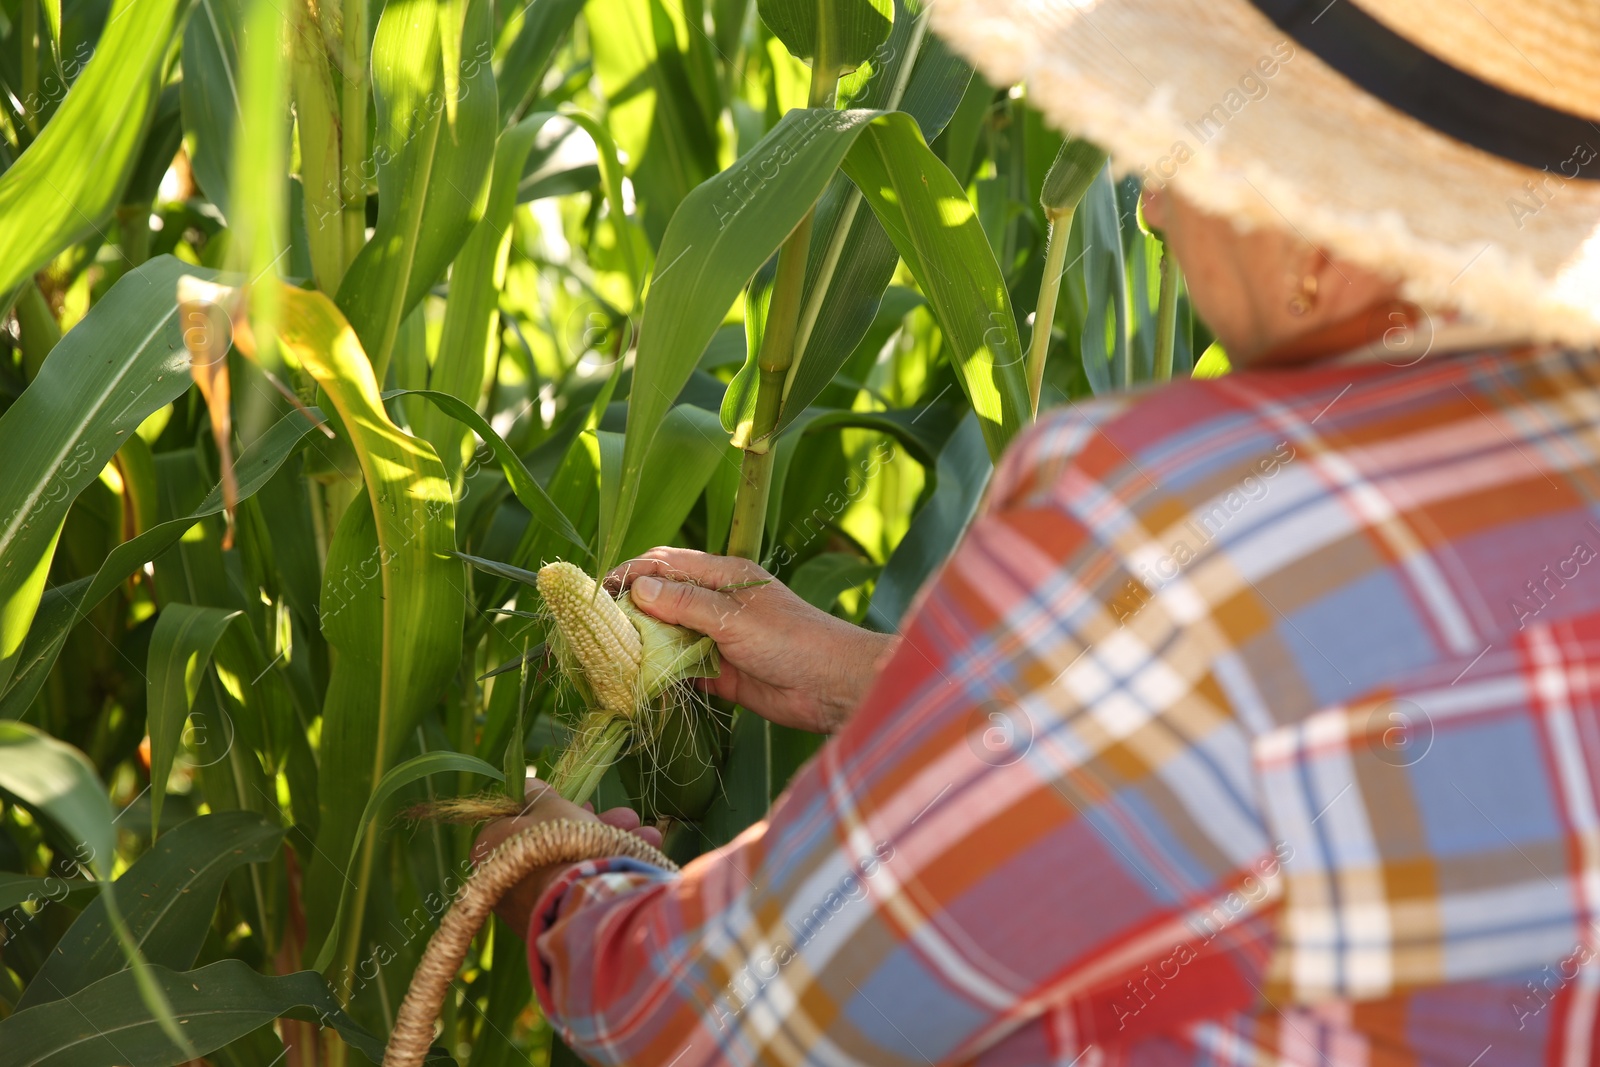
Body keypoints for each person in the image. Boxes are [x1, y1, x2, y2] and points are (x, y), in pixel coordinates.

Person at [474, 0, 1600, 1062]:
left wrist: (567, 899)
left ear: (1324, 233)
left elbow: (735, 1023)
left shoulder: (1179, 521)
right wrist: (865, 677)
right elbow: (1264, 751)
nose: (1151, 204)